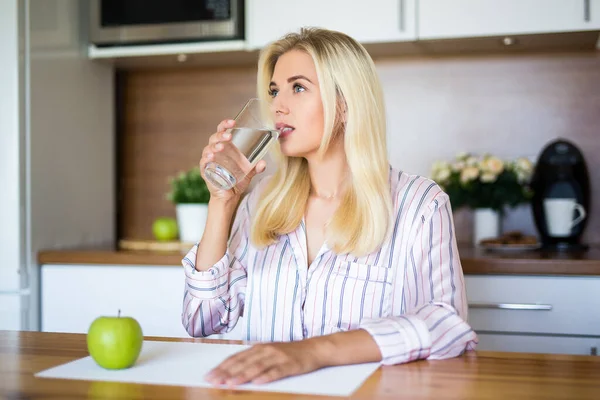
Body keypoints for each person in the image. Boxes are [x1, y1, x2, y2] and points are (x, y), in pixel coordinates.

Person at [181, 27, 478, 386]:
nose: (277, 105)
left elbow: (447, 324)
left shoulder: (420, 205)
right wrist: (222, 202)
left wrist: (313, 352)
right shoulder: (261, 204)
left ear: (344, 104)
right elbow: (201, 320)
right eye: (274, 91)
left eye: (298, 87)